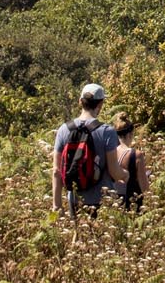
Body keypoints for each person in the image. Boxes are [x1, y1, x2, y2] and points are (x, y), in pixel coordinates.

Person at [52, 82, 125, 216]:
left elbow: (56, 171)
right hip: (103, 201)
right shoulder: (107, 131)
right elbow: (114, 171)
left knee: (79, 236)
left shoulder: (64, 130)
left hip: (75, 201)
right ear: (100, 104)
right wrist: (126, 175)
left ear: (80, 102)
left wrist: (57, 205)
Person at [112, 115, 150, 213]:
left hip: (113, 203)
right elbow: (144, 187)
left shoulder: (110, 153)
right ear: (130, 134)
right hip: (132, 205)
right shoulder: (136, 155)